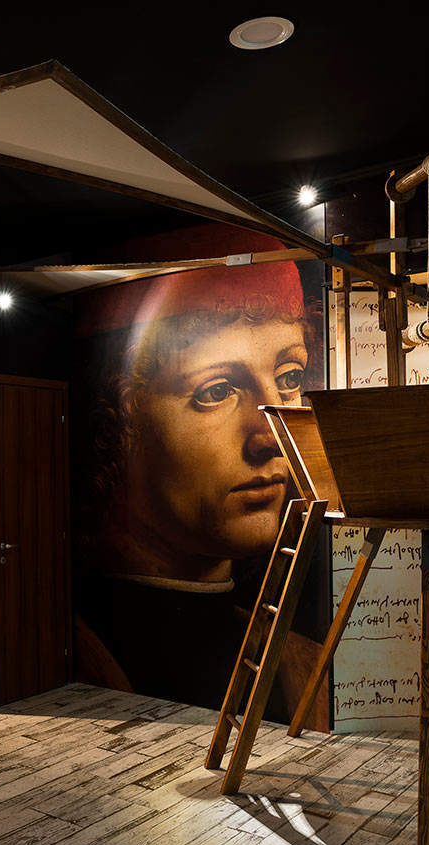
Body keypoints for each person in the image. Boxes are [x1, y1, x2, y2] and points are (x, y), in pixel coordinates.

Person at [71, 222, 319, 714]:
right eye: (216, 390)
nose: (273, 436)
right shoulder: (71, 656)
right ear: (115, 422)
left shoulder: (305, 665)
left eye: (289, 378)